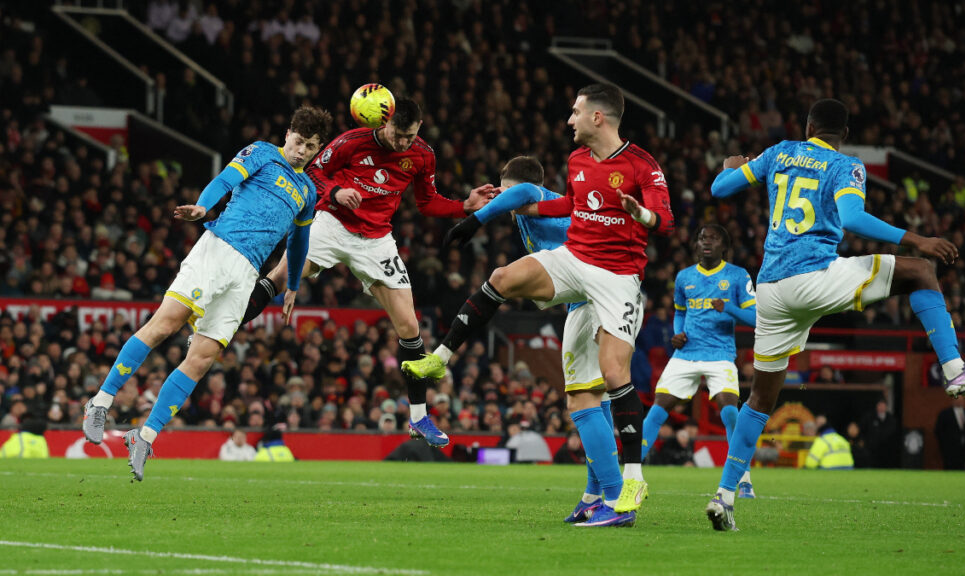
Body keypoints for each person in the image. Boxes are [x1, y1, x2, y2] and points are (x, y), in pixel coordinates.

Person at [703, 98, 965, 531]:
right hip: (814, 277)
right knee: (921, 271)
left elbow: (720, 190)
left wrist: (730, 167)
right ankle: (955, 368)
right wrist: (917, 239)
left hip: (771, 289)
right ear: (844, 135)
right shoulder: (845, 166)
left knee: (759, 400)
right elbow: (851, 217)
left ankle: (724, 497)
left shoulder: (777, 152)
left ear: (808, 125)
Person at [407, 83, 675, 525]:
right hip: (575, 261)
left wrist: (640, 214)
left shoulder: (641, 164)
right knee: (502, 278)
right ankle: (439, 358)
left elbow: (664, 218)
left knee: (611, 375)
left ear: (598, 117)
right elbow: (572, 203)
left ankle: (629, 481)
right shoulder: (577, 161)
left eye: (575, 111)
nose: (568, 119)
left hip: (616, 277)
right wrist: (529, 214)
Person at [82, 106, 333, 481]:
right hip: (217, 249)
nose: (302, 151)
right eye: (299, 142)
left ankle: (144, 436)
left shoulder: (307, 191)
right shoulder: (263, 153)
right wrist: (203, 205)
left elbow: (299, 242)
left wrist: (293, 283)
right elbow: (227, 179)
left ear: (318, 148)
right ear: (288, 134)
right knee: (164, 324)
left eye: (311, 147)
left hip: (248, 273)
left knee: (202, 358)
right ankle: (101, 401)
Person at [241, 98, 492, 449]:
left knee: (409, 325)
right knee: (281, 275)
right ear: (385, 123)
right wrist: (337, 191)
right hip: (332, 223)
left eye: (412, 136)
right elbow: (314, 171)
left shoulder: (422, 155)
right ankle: (220, 328)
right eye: (400, 135)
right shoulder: (353, 141)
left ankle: (418, 417)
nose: (405, 143)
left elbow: (427, 201)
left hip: (376, 241)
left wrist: (462, 207)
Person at [442, 155, 619, 524]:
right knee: (594, 397)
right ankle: (594, 495)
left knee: (582, 400)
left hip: (594, 297)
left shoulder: (535, 195)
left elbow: (521, 190)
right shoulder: (531, 214)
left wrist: (476, 218)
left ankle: (616, 500)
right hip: (593, 297)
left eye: (502, 191)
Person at [640, 224, 757, 496]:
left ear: (724, 247)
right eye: (702, 237)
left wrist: (727, 307)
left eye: (714, 238)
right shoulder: (684, 278)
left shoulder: (737, 276)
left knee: (729, 413)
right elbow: (680, 312)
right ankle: (630, 468)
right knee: (657, 410)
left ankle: (744, 478)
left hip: (720, 354)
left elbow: (755, 318)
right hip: (687, 354)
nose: (706, 242)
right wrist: (679, 332)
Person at [935, 397, 965, 470]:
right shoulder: (945, 414)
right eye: (957, 400)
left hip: (962, 448)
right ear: (953, 400)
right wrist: (944, 444)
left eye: (961, 400)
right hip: (949, 448)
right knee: (949, 467)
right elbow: (938, 430)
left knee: (961, 467)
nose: (959, 402)